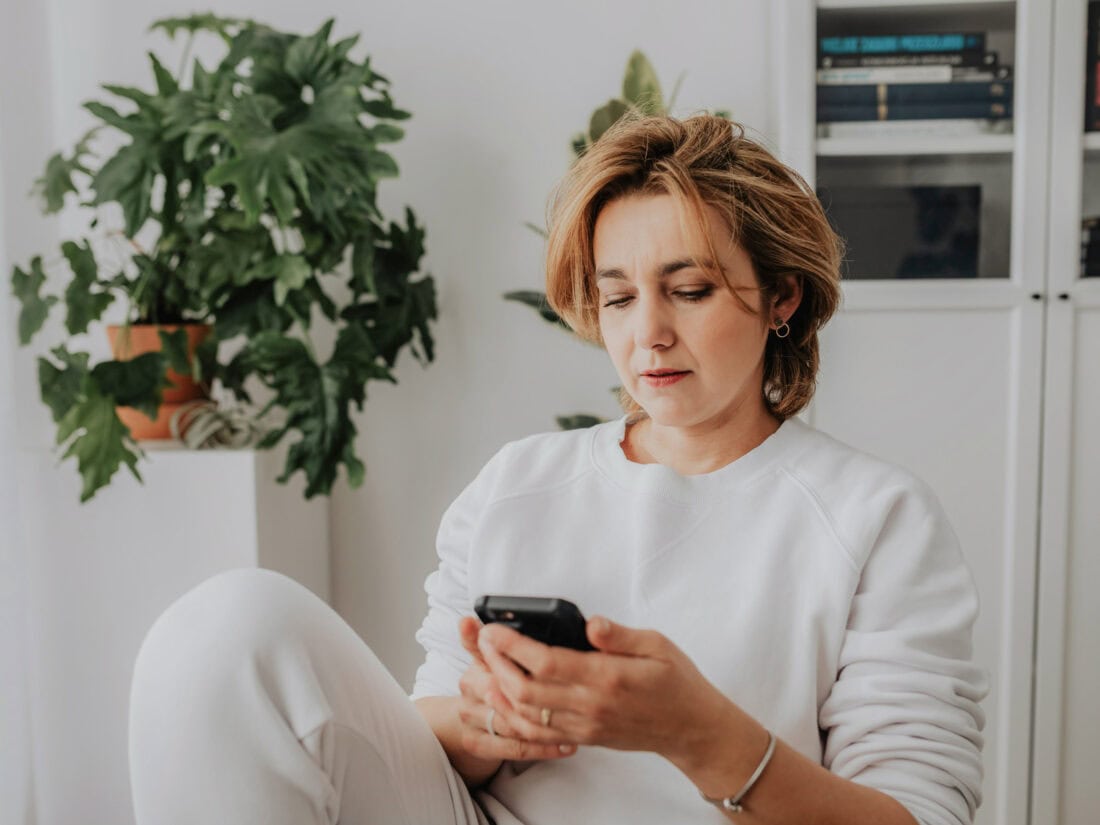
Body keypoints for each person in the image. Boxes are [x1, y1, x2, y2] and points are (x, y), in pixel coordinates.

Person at [129, 114, 987, 825]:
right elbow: (425, 723)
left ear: (782, 297)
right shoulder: (516, 481)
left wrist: (696, 734)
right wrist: (491, 719)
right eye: (618, 297)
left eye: (687, 290)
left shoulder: (877, 515)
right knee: (228, 625)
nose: (645, 332)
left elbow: (920, 814)